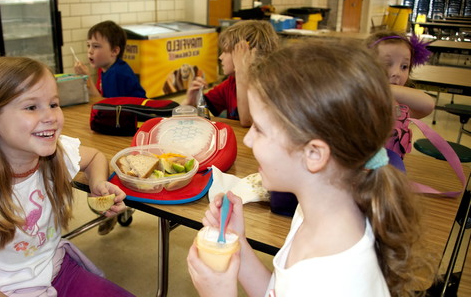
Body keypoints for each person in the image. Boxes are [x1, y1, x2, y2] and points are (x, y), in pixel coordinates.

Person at [186, 39, 435, 297]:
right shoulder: (316, 211)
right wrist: (239, 245)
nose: (247, 139)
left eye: (259, 129)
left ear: (314, 154)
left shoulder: (333, 280)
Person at [0, 56, 134, 296]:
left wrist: (97, 183)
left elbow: (95, 157)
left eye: (54, 104)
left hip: (58, 269)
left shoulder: (56, 154)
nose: (50, 117)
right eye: (31, 107)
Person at [182, 20, 279, 127]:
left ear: (244, 53)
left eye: (226, 51)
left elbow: (247, 121)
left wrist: (241, 70)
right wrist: (191, 102)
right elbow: (200, 112)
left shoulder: (269, 86)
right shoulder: (230, 83)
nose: (220, 57)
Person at [365, 30, 435, 158]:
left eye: (404, 66)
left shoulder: (401, 107)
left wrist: (381, 87)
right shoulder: (357, 101)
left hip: (390, 171)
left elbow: (428, 104)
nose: (396, 72)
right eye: (387, 64)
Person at [74, 20, 146, 98]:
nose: (90, 51)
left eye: (96, 46)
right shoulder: (106, 69)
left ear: (114, 51)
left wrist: (87, 79)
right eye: (88, 45)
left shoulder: (116, 73)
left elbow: (106, 106)